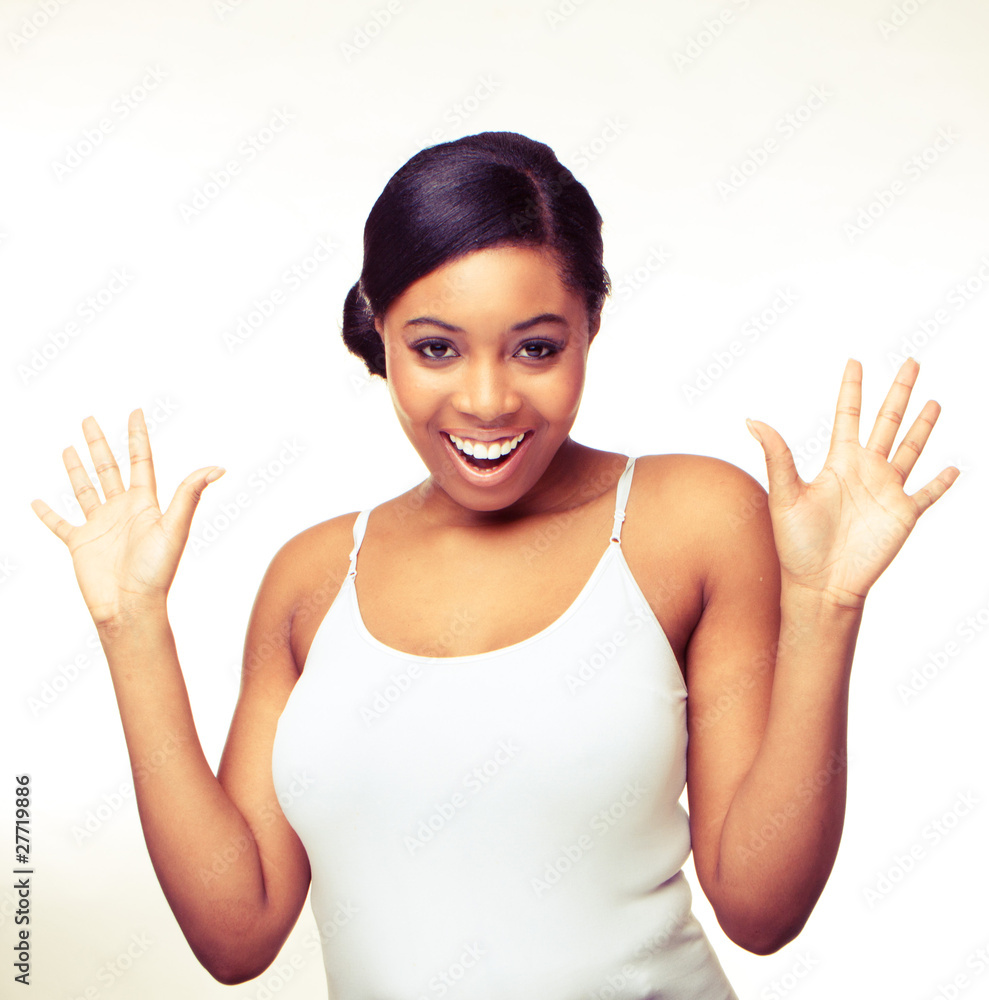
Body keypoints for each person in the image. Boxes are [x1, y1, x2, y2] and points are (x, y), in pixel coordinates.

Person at [31, 132, 959, 999]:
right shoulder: (311, 579)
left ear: (591, 326)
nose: (486, 399)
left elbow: (761, 910)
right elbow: (236, 936)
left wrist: (825, 606)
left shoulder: (692, 518)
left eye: (536, 348)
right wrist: (129, 624)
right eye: (435, 348)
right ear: (379, 333)